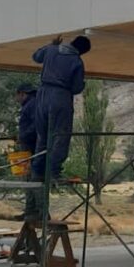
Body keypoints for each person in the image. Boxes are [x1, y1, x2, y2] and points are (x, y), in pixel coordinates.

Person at [31, 35, 90, 181]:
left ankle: (37, 172)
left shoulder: (51, 50)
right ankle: (53, 172)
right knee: (60, 135)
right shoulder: (76, 61)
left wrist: (50, 44)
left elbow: (36, 57)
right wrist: (83, 84)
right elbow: (76, 87)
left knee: (42, 134)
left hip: (43, 94)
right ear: (81, 51)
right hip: (60, 96)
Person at [14, 83, 40, 219]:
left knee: (31, 178)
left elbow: (36, 126)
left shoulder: (32, 105)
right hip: (29, 145)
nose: (16, 98)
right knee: (28, 178)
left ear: (22, 93)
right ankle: (30, 210)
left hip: (32, 147)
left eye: (16, 95)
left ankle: (36, 211)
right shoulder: (31, 104)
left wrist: (23, 136)